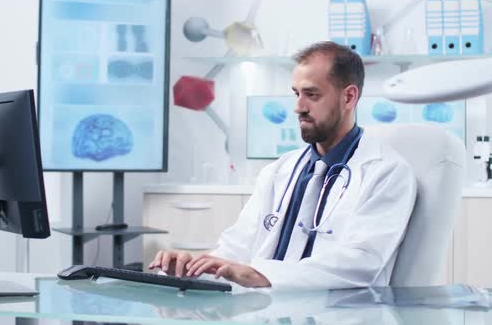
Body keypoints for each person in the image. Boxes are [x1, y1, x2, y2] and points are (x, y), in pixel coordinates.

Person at [149, 41, 417, 290]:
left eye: (312, 94)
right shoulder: (279, 171)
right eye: (296, 93)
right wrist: (194, 268)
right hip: (262, 312)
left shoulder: (386, 172)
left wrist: (260, 276)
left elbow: (361, 263)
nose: (298, 107)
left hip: (336, 314)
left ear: (348, 98)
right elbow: (235, 249)